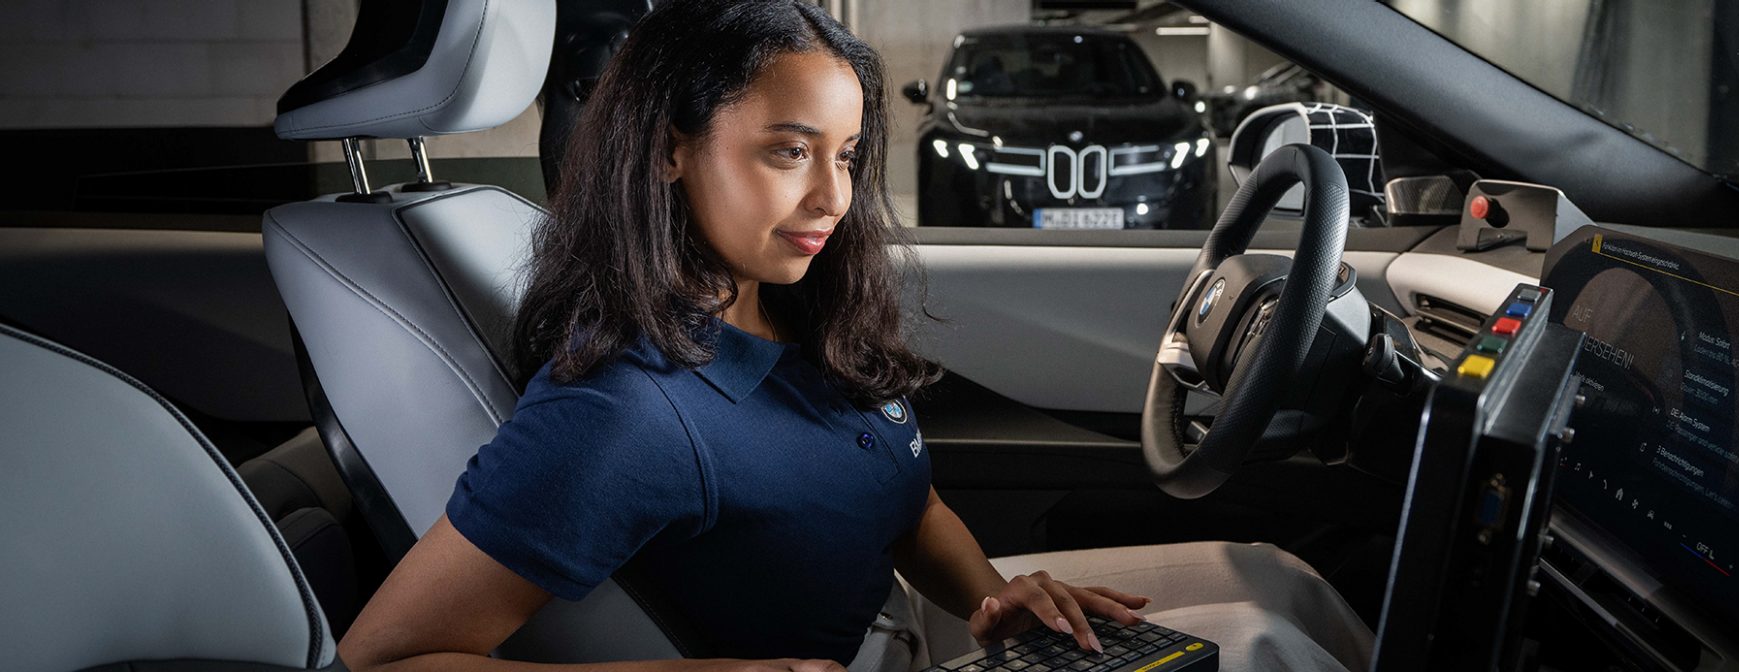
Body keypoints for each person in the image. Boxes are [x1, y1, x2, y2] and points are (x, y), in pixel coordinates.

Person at [336, 2, 1374, 671]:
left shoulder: (794, 305)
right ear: (669, 151)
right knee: (1269, 648)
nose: (833, 196)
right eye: (789, 153)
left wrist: (994, 598)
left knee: (1271, 575)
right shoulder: (618, 412)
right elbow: (387, 657)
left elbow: (907, 499)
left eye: (846, 153)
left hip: (917, 629)